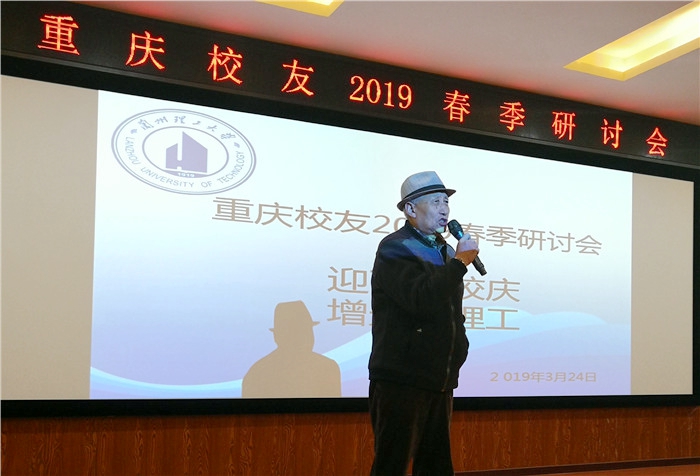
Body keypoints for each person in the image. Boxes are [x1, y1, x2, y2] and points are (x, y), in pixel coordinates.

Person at [368, 171, 479, 476]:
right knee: (392, 465)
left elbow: (451, 310)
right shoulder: (395, 248)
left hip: (439, 377)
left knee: (436, 466)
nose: (444, 209)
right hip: (402, 379)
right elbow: (420, 299)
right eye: (435, 202)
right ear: (411, 209)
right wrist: (459, 263)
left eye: (446, 202)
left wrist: (460, 346)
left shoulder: (445, 249)